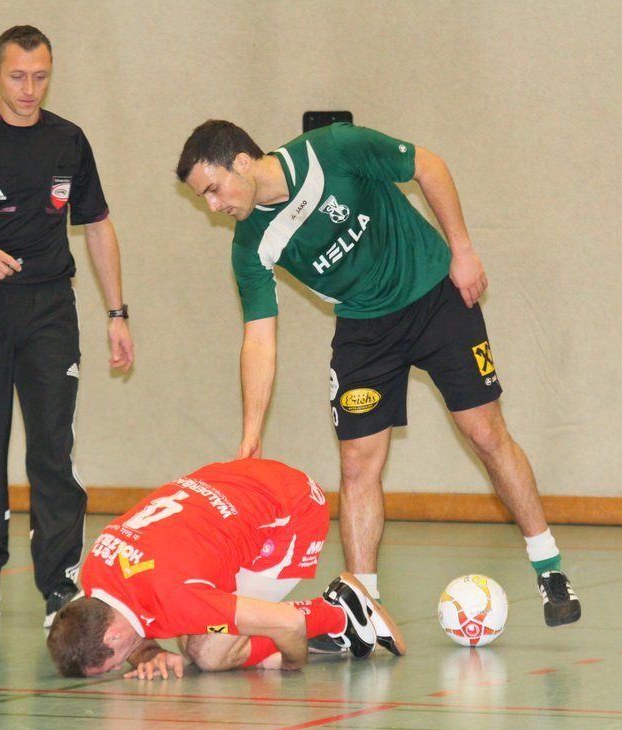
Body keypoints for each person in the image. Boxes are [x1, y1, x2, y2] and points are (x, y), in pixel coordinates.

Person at [174, 120, 580, 628]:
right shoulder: (251, 244)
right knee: (356, 464)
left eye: (213, 189)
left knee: (485, 433)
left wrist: (462, 250)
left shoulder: (334, 149)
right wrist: (251, 432)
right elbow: (258, 337)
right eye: (204, 198)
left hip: (435, 298)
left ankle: (548, 566)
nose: (213, 206)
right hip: (364, 330)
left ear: (240, 162)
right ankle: (363, 610)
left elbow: (428, 166)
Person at [0, 25, 134, 627]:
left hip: (50, 309)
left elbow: (97, 225)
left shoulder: (69, 140)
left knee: (52, 446)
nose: (29, 88)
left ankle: (59, 581)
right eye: (17, 76)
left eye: (40, 76)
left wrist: (117, 313)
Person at [47, 458, 405, 678]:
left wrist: (290, 662)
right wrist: (149, 651)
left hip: (290, 511)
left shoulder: (177, 599)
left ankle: (339, 612)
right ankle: (289, 630)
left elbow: (289, 624)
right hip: (234, 482)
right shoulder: (95, 573)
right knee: (194, 634)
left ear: (112, 637)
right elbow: (138, 615)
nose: (121, 666)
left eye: (113, 664)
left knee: (208, 653)